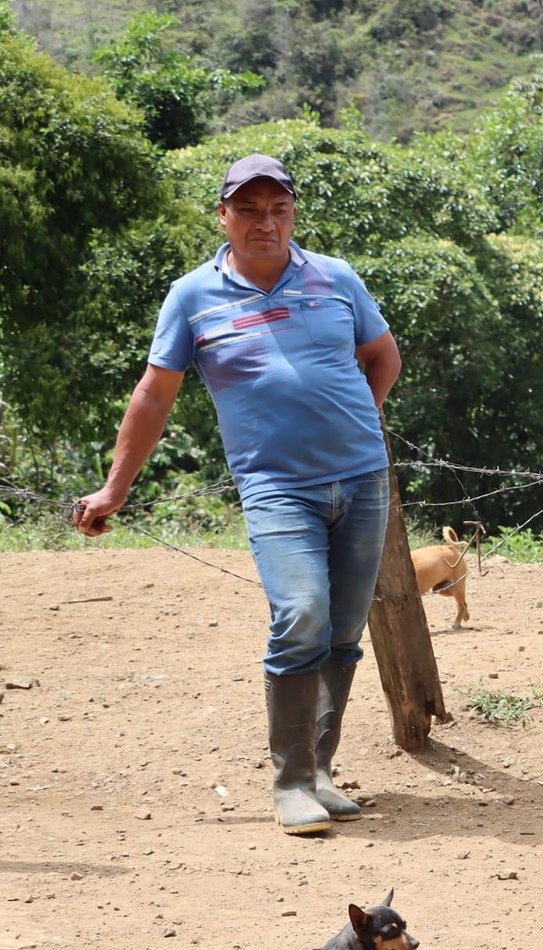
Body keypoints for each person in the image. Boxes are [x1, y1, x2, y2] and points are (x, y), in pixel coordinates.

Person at [73, 154, 402, 837]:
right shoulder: (194, 296)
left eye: (278, 208)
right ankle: (289, 783)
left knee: (343, 631)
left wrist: (357, 419)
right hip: (278, 488)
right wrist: (115, 487)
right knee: (302, 613)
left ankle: (319, 772)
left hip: (363, 480)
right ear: (223, 216)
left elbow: (383, 355)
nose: (266, 222)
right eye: (249, 209)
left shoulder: (336, 278)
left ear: (293, 214)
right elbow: (154, 394)